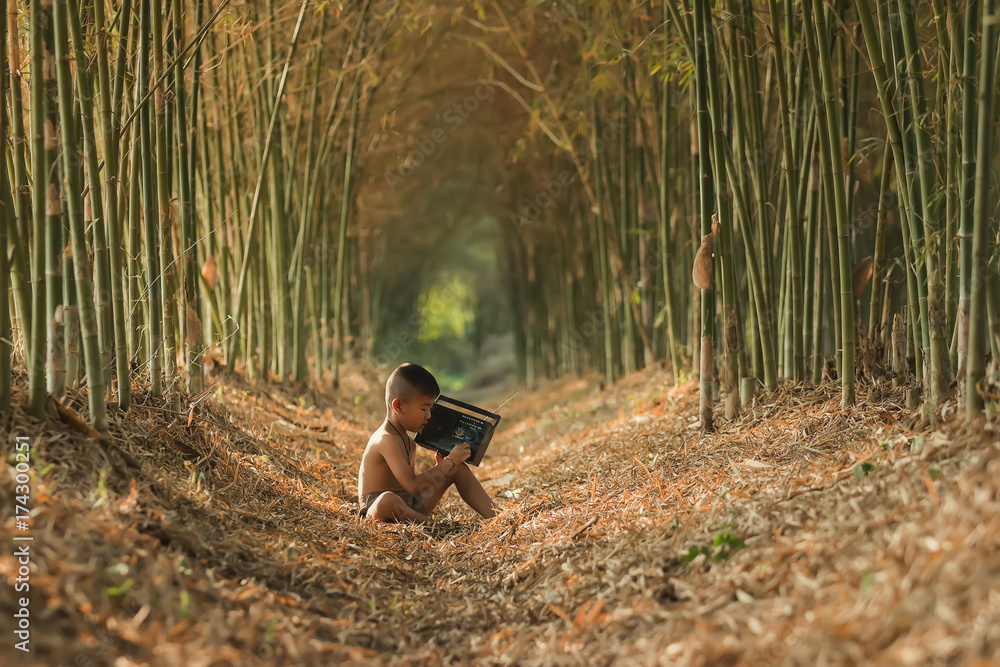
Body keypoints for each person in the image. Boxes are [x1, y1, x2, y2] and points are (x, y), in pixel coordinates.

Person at [356, 363, 498, 523]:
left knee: (457, 469)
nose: (429, 415)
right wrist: (448, 462)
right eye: (424, 409)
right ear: (399, 406)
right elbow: (413, 486)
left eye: (431, 408)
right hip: (379, 510)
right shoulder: (385, 439)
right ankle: (434, 527)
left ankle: (498, 517)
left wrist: (445, 467)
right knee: (387, 500)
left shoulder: (410, 442)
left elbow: (414, 491)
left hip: (409, 505)